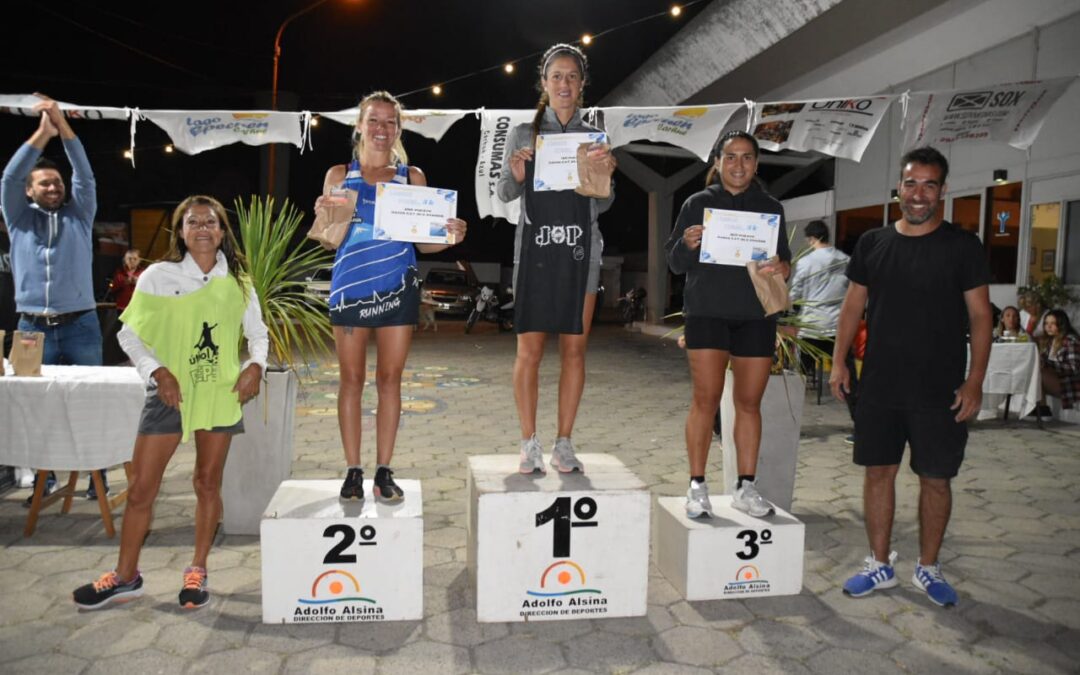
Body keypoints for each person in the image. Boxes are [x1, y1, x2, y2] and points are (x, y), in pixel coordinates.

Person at [72, 195, 268, 610]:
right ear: (180, 231)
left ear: (222, 232)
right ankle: (126, 577)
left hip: (217, 392)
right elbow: (129, 334)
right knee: (142, 488)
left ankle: (198, 569)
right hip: (168, 393)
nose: (202, 228)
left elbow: (258, 334)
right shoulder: (158, 276)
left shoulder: (238, 282)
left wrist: (256, 366)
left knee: (207, 483)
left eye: (210, 222)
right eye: (193, 222)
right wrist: (158, 372)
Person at [830, 146, 992, 608]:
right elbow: (853, 307)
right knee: (878, 472)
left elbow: (981, 316)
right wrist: (839, 362)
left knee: (936, 479)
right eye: (911, 183)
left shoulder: (962, 246)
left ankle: (928, 567)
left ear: (943, 191)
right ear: (898, 188)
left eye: (929, 185)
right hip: (880, 385)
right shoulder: (873, 243)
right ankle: (879, 565)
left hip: (940, 390)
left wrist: (975, 381)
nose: (918, 194)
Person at [319, 91, 466, 502]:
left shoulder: (411, 178)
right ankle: (352, 471)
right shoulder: (338, 175)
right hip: (350, 289)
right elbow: (331, 242)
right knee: (351, 380)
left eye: (389, 122)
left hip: (397, 289)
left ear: (399, 129)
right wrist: (324, 217)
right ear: (359, 125)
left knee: (389, 380)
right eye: (374, 120)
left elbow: (425, 243)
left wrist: (451, 236)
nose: (381, 129)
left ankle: (384, 470)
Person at [497, 43, 616, 475]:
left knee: (574, 351)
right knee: (528, 351)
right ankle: (528, 443)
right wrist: (517, 174)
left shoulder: (595, 137)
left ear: (582, 85)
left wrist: (605, 174)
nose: (564, 84)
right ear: (544, 83)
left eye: (572, 76)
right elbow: (504, 193)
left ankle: (564, 443)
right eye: (556, 76)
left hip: (582, 252)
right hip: (534, 252)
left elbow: (604, 203)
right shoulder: (522, 133)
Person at [666, 129, 792, 519]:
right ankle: (697, 487)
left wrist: (782, 266)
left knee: (749, 404)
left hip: (755, 316)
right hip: (706, 313)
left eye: (747, 157)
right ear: (718, 162)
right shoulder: (697, 204)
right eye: (731, 157)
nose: (739, 164)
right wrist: (687, 244)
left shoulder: (770, 207)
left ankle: (745, 487)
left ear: (757, 163)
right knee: (705, 401)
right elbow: (674, 263)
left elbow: (784, 262)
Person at [1, 93, 108, 500]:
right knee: (33, 408)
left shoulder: (79, 216)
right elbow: (9, 179)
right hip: (31, 329)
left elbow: (85, 177)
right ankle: (44, 480)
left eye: (57, 183)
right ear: (29, 191)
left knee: (91, 405)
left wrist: (63, 129)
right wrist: (42, 134)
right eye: (45, 182)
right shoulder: (18, 219)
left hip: (81, 325)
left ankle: (98, 478)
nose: (53, 186)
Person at [788, 219, 850, 377]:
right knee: (845, 373)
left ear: (812, 239)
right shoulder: (846, 260)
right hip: (837, 327)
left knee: (800, 376)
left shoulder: (806, 262)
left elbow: (795, 293)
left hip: (811, 328)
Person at [1039, 309, 1080, 410]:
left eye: (1053, 323)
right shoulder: (1050, 340)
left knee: (1039, 373)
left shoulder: (1071, 340)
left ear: (1061, 324)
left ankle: (1042, 409)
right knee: (1035, 370)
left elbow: (1073, 369)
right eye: (1046, 323)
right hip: (1059, 380)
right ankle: (1039, 408)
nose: (1048, 326)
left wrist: (1049, 363)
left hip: (1071, 384)